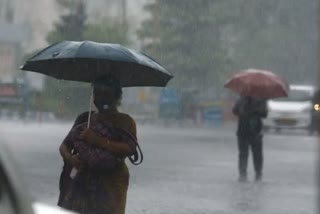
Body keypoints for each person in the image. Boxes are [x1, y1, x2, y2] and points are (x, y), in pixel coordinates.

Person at [57, 76, 142, 214]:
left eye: (106, 93)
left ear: (116, 96)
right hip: (82, 183)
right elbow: (64, 146)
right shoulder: (85, 118)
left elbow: (129, 149)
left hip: (111, 186)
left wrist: (97, 140)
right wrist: (71, 159)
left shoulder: (125, 122)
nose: (101, 97)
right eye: (97, 92)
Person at [232, 96, 268, 182]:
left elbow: (264, 114)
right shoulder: (241, 99)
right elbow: (235, 111)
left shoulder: (261, 100)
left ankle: (258, 173)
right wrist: (244, 108)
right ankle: (242, 174)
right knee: (243, 153)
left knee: (257, 154)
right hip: (243, 131)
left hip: (256, 131)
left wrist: (256, 110)